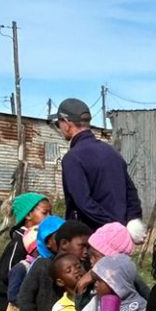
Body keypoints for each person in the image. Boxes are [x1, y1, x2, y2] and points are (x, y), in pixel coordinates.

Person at [51, 98, 144, 239]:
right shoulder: (112, 152)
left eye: (58, 124)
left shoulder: (73, 158)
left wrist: (113, 226)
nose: (59, 128)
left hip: (91, 240)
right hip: (120, 239)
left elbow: (83, 203)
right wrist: (130, 221)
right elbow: (131, 193)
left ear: (67, 123)